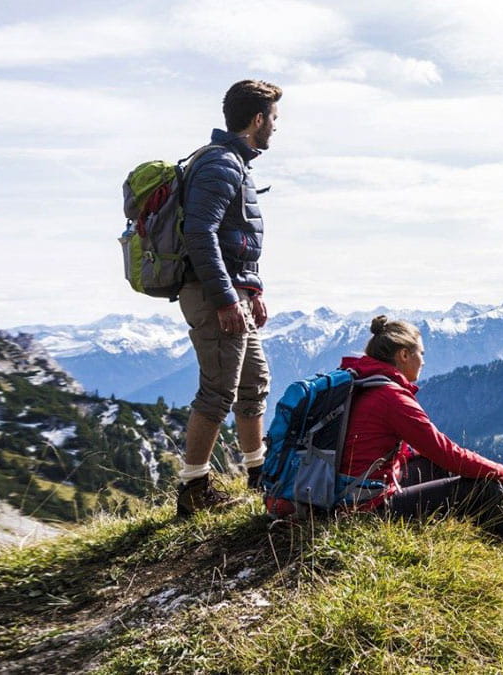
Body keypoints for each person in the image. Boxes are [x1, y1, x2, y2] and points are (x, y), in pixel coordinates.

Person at [175, 80, 282, 518]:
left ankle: (258, 474)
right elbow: (199, 233)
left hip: (234, 291)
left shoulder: (233, 163)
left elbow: (233, 239)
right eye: (273, 118)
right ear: (257, 119)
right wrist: (224, 299)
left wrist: (252, 290)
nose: (275, 127)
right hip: (212, 294)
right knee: (218, 390)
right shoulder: (221, 164)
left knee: (254, 382)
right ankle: (193, 489)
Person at [339, 315, 503, 539]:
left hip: (348, 496)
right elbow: (446, 452)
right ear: (404, 355)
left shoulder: (362, 381)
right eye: (421, 353)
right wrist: (502, 473)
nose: (423, 362)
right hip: (369, 509)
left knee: (436, 465)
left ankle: (489, 540)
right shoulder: (391, 398)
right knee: (481, 489)